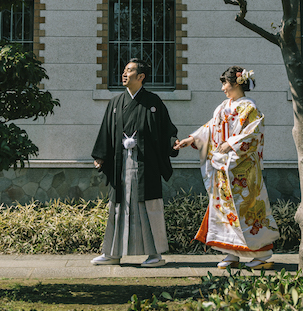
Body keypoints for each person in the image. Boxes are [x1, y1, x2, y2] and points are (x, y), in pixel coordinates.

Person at [174, 66, 279, 269]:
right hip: (223, 167)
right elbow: (211, 127)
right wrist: (192, 139)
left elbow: (253, 133)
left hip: (243, 171)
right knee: (225, 212)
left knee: (248, 210)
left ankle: (263, 254)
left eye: (225, 83)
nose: (223, 88)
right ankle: (232, 253)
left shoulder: (250, 108)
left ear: (237, 83)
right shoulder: (224, 106)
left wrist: (230, 144)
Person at [91, 58, 179, 267]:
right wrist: (101, 156)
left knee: (146, 206)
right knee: (118, 207)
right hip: (120, 163)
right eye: (124, 70)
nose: (124, 74)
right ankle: (112, 253)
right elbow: (106, 131)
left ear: (141, 77)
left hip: (145, 164)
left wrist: (172, 142)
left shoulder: (153, 102)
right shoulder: (115, 103)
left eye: (129, 71)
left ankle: (155, 254)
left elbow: (166, 129)